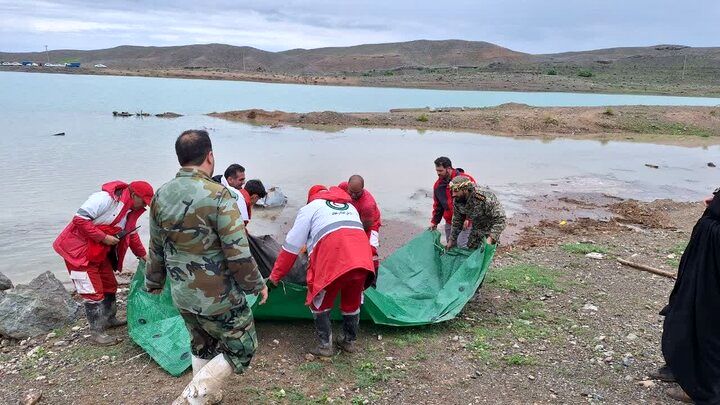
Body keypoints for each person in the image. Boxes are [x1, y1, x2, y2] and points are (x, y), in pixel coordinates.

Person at [145, 130, 268, 404]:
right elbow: (237, 252)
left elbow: (156, 246)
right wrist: (256, 284)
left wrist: (153, 282)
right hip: (218, 296)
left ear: (180, 158)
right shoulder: (220, 195)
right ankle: (193, 398)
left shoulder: (161, 194)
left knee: (202, 343)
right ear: (210, 156)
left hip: (182, 293)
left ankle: (206, 397)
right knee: (243, 346)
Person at [268, 185, 375, 357]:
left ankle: (325, 346)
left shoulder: (309, 208)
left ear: (312, 198)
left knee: (319, 300)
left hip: (335, 260)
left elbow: (291, 247)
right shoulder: (350, 206)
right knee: (352, 299)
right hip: (362, 258)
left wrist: (275, 276)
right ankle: (349, 342)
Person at [53, 180, 154, 345]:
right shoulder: (104, 199)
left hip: (98, 253)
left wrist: (143, 256)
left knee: (109, 284)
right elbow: (79, 219)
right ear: (134, 195)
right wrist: (104, 237)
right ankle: (96, 332)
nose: (143, 206)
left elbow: (131, 235)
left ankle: (109, 319)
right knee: (92, 292)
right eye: (143, 201)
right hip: (77, 252)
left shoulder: (129, 211)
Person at [656, 187, 720, 404]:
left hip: (716, 239)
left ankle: (709, 390)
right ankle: (683, 366)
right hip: (710, 232)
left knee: (708, 312)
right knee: (685, 301)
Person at [446, 176, 506, 250]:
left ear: (465, 190)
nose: (453, 194)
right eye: (452, 190)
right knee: (472, 252)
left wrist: (491, 238)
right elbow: (457, 221)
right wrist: (451, 240)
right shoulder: (458, 199)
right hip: (476, 230)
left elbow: (501, 219)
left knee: (486, 253)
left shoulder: (484, 198)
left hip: (490, 230)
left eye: (456, 190)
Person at [429, 157, 475, 247]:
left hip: (467, 220)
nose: (438, 173)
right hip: (450, 222)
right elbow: (438, 206)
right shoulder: (438, 186)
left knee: (462, 244)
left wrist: (469, 219)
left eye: (441, 170)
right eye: (437, 170)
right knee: (450, 245)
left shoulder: (466, 180)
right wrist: (434, 221)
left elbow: (475, 201)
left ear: (449, 169)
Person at [339, 175, 382, 270]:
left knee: (370, 251)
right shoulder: (343, 186)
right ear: (348, 186)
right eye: (351, 192)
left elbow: (365, 228)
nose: (353, 195)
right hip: (353, 216)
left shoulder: (367, 205)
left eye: (357, 193)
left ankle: (373, 278)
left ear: (363, 189)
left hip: (370, 224)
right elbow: (336, 198)